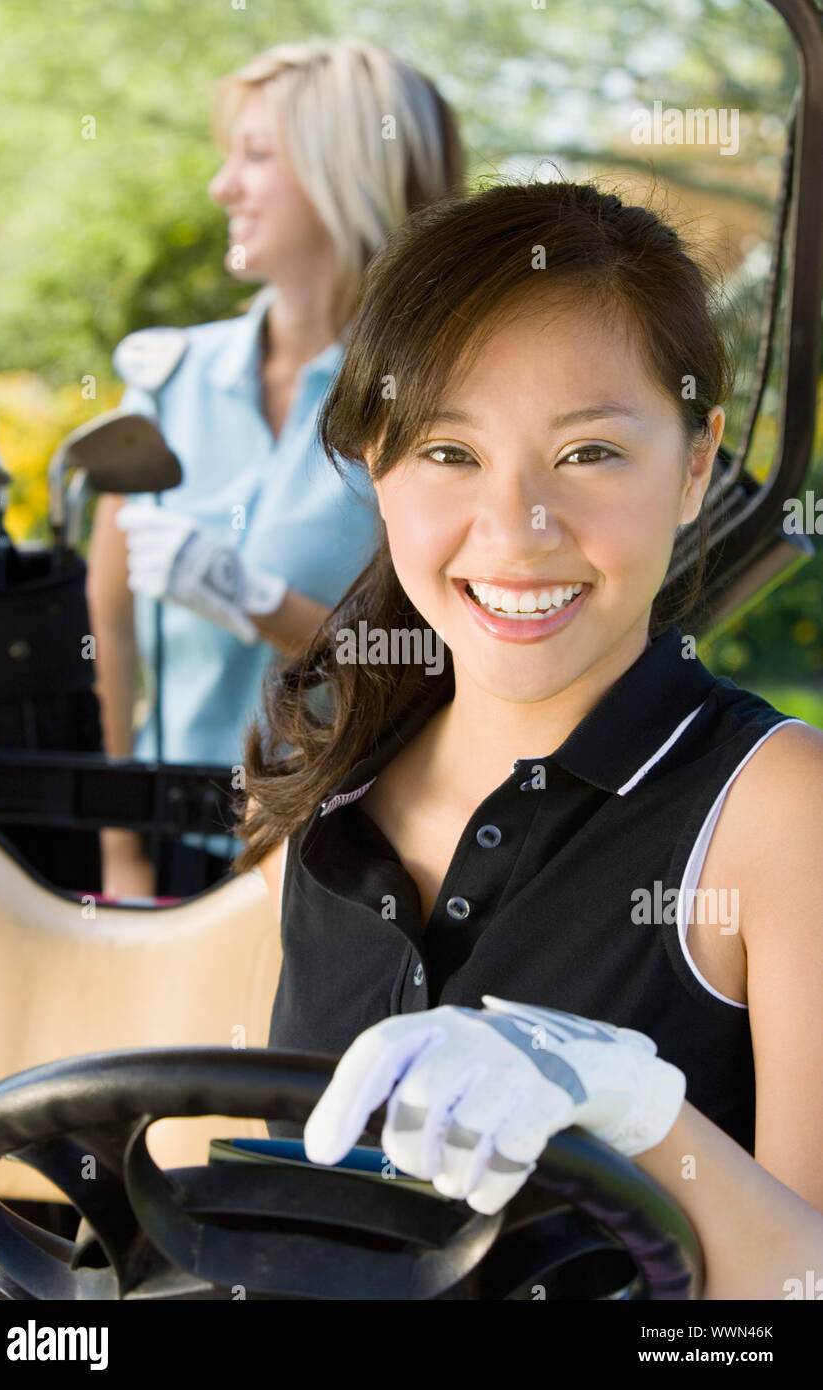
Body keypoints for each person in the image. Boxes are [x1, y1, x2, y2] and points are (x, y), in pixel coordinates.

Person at [239, 180, 823, 1299]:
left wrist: (639, 1112)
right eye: (450, 454)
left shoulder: (775, 808)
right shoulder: (323, 802)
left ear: (695, 463)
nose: (516, 530)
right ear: (375, 460)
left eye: (589, 453)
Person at [86, 38, 465, 899]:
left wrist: (254, 601)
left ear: (347, 176)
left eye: (255, 156)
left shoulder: (428, 402)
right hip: (164, 841)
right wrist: (123, 858)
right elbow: (104, 629)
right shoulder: (167, 379)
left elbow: (435, 664)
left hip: (343, 860)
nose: (223, 185)